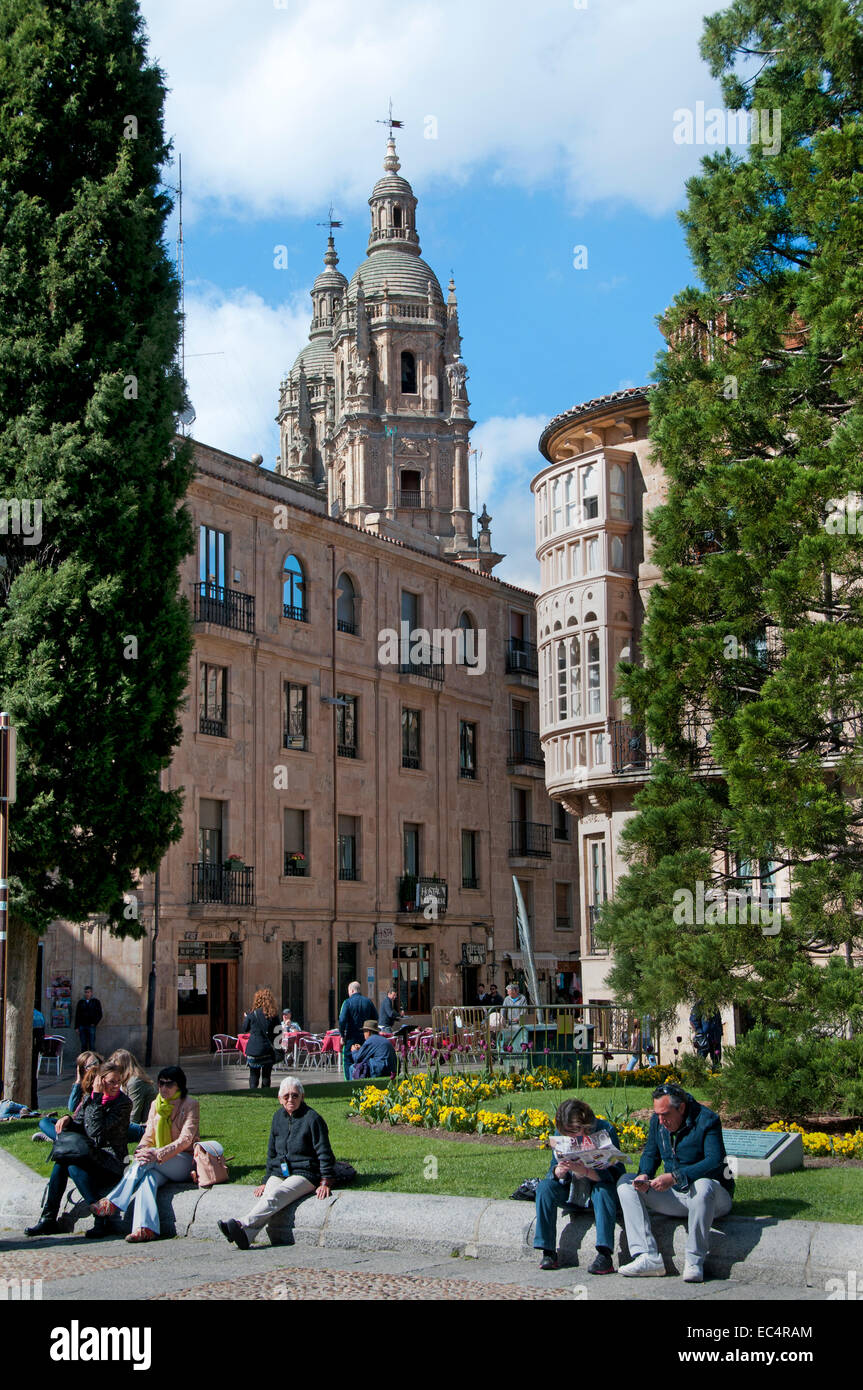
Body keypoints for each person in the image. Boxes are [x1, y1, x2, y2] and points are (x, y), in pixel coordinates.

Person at [617, 1082, 734, 1282]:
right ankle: (647, 1256)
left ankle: (694, 1260)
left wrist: (675, 1177)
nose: (661, 1120)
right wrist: (644, 1174)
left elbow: (714, 1161)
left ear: (681, 1108)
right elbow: (650, 1154)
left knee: (703, 1185)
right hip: (677, 1195)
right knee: (627, 1183)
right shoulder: (658, 1121)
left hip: (712, 1198)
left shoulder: (707, 1120)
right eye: (658, 1114)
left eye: (665, 1114)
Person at [218, 1076, 335, 1249]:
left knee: (276, 1196)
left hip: (305, 1173)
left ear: (302, 1096)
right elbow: (272, 1152)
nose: (290, 1100)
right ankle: (246, 1236)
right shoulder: (277, 1118)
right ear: (279, 1099)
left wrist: (325, 1181)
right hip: (281, 1172)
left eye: (295, 1095)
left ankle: (241, 1223)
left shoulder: (312, 1119)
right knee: (268, 1195)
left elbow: (324, 1152)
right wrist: (266, 1180)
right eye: (286, 1096)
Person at [91, 1065, 200, 1243]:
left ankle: (112, 1203)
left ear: (179, 1086)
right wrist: (141, 1150)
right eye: (161, 1084)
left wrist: (157, 1153)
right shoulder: (155, 1104)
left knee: (146, 1161)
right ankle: (145, 1228)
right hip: (155, 1161)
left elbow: (186, 1140)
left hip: (182, 1160)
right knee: (147, 1178)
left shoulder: (190, 1105)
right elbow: (148, 1135)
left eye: (169, 1084)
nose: (164, 1088)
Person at [25, 1062, 132, 1238]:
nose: (116, 1086)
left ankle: (97, 1217)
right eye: (112, 1082)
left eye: (118, 1082)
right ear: (100, 1081)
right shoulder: (89, 1098)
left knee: (69, 1163)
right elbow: (80, 1124)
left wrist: (96, 1099)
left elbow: (96, 1133)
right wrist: (68, 1119)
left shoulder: (123, 1104)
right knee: (63, 1162)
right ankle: (49, 1219)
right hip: (88, 1155)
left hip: (111, 1162)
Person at [534, 1098, 624, 1275]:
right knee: (544, 1187)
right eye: (565, 1133)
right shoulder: (562, 1134)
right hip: (571, 1190)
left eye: (573, 1132)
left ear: (585, 1125)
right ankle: (548, 1252)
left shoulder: (605, 1130)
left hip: (597, 1190)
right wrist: (557, 1172)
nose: (569, 1137)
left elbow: (617, 1173)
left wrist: (587, 1172)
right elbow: (553, 1170)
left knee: (603, 1190)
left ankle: (604, 1255)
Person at [33, 1050, 102, 1143]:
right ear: (82, 1070)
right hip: (78, 1124)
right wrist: (78, 1082)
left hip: (91, 1126)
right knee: (45, 1122)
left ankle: (60, 1139)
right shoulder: (83, 1086)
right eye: (89, 1066)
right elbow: (72, 1107)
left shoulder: (104, 1081)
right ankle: (61, 1138)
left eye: (95, 1063)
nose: (94, 1067)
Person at [108, 1049, 157, 1142]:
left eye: (115, 1067)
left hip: (147, 1127)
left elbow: (134, 1115)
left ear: (123, 1066)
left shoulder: (134, 1082)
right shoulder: (125, 1081)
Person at [338, 980, 377, 1081]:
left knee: (348, 1060)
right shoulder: (368, 1002)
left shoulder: (347, 1002)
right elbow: (376, 1017)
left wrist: (342, 1035)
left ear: (351, 990)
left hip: (350, 1037)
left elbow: (342, 1020)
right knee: (365, 1059)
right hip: (366, 1037)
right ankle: (364, 1080)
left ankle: (349, 1082)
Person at [241, 988, 280, 1089]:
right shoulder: (273, 1015)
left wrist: (246, 1018)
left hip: (253, 1050)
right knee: (266, 1076)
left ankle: (253, 1093)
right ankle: (266, 1093)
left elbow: (244, 1029)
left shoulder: (252, 1014)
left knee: (253, 1075)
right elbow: (279, 1032)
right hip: (267, 1050)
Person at [74, 986, 102, 1052]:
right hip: (82, 1026)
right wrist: (76, 1027)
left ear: (91, 993)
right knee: (83, 1044)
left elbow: (99, 1014)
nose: (87, 994)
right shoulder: (81, 1002)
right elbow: (77, 1015)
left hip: (91, 1026)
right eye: (85, 992)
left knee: (92, 1045)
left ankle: (93, 1061)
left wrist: (94, 1023)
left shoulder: (96, 1002)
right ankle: (83, 1061)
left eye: (88, 992)